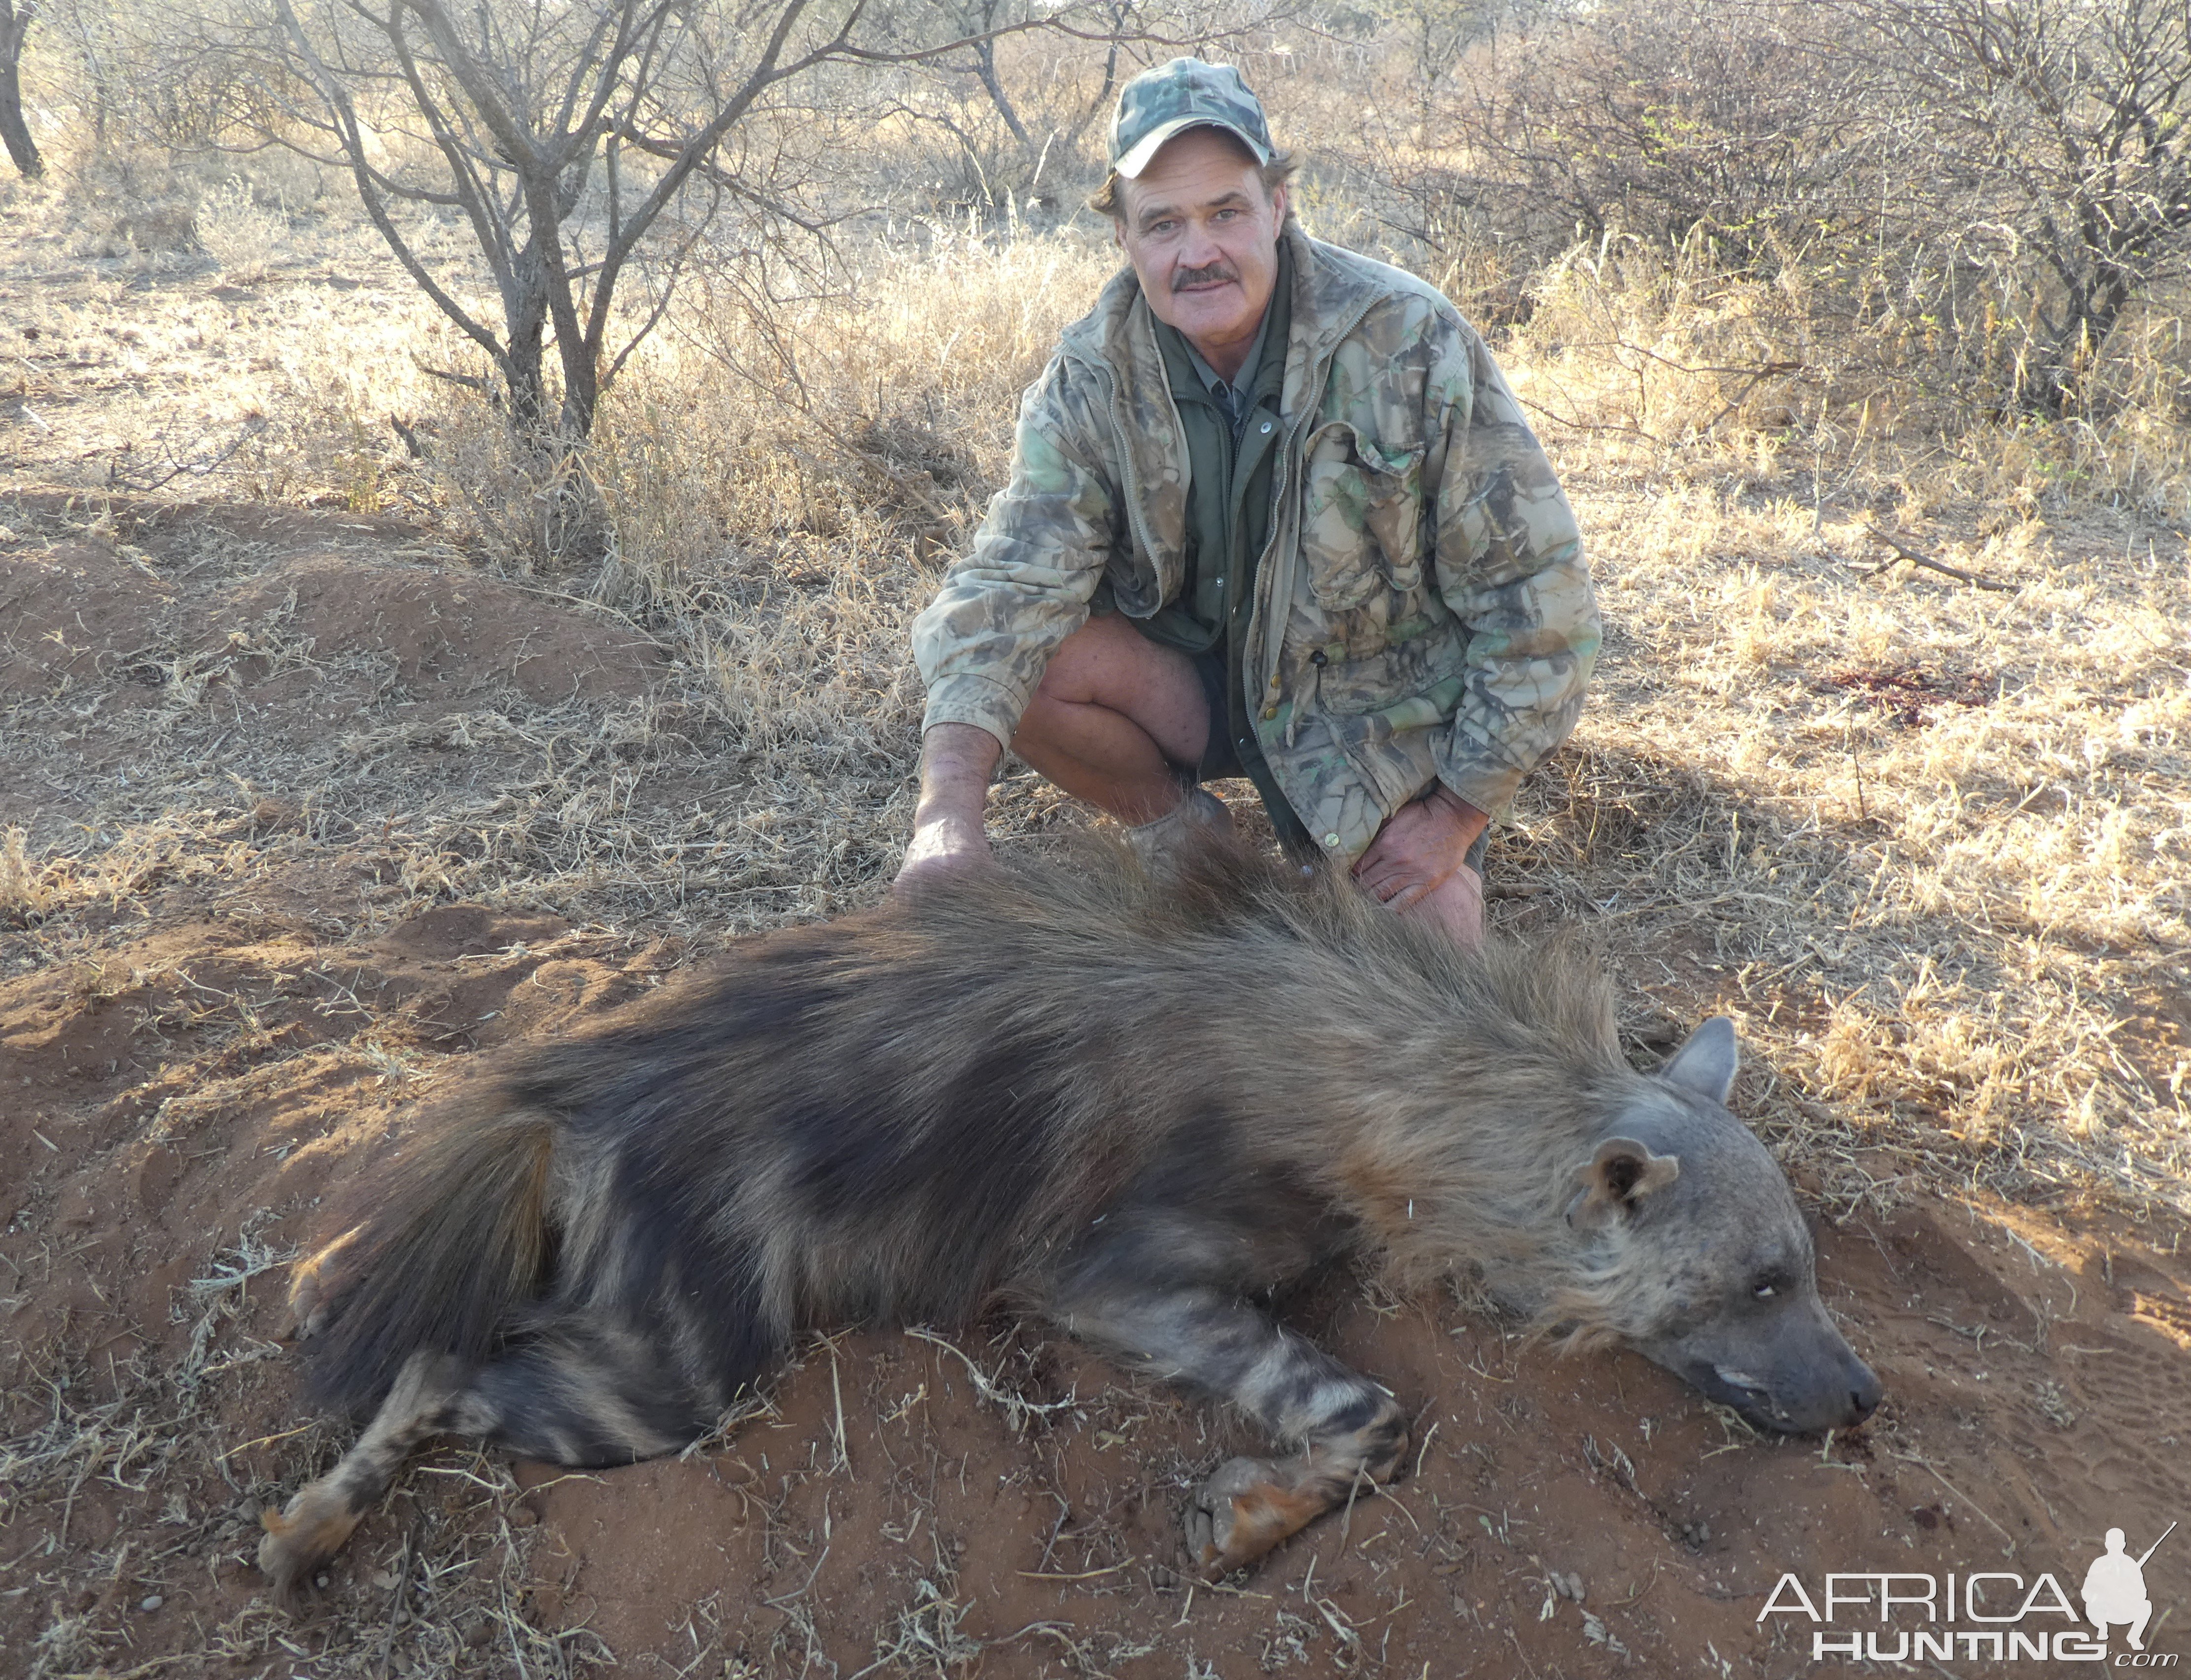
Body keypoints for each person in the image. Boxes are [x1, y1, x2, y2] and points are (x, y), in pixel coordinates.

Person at [901, 58, 1599, 944]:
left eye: (1224, 212)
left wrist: (1454, 816)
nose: (1197, 253)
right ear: (1122, 237)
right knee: (1021, 658)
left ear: (1279, 205)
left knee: (1440, 947)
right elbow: (1006, 585)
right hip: (1196, 683)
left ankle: (1349, 850)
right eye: (1163, 224)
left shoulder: (1410, 341)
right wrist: (946, 819)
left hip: (1363, 708)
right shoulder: (1092, 373)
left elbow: (1542, 605)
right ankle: (1180, 830)